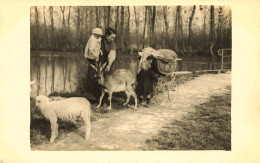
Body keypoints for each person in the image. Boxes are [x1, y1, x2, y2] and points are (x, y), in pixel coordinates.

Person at [84, 27, 117, 102]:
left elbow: (112, 55)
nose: (112, 39)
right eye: (111, 37)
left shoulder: (112, 44)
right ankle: (91, 98)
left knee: (103, 79)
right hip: (95, 61)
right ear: (107, 35)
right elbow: (91, 47)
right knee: (92, 77)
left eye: (114, 38)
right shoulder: (99, 38)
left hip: (104, 63)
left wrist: (109, 65)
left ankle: (102, 98)